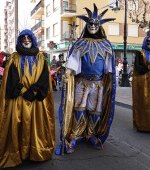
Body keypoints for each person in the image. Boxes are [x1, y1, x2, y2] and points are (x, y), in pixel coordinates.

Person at [55, 3, 116, 154]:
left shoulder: (106, 45)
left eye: (96, 23)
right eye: (90, 23)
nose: (93, 26)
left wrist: (110, 84)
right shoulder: (80, 43)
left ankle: (91, 134)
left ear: (100, 26)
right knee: (79, 108)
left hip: (99, 84)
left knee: (96, 111)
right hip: (82, 82)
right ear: (86, 25)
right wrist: (68, 72)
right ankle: (75, 136)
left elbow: (109, 68)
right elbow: (74, 61)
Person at [0, 29, 55, 169]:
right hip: (18, 101)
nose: (26, 40)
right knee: (17, 126)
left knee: (36, 126)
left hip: (36, 101)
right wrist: (23, 90)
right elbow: (11, 78)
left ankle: (34, 152)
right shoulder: (14, 58)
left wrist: (33, 91)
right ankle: (18, 154)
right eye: (23, 38)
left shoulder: (41, 58)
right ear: (20, 40)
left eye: (29, 38)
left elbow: (45, 78)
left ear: (33, 40)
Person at [132, 35, 150, 131]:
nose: (149, 44)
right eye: (148, 42)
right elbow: (139, 69)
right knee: (143, 104)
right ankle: (143, 125)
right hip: (143, 84)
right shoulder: (140, 53)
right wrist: (147, 68)